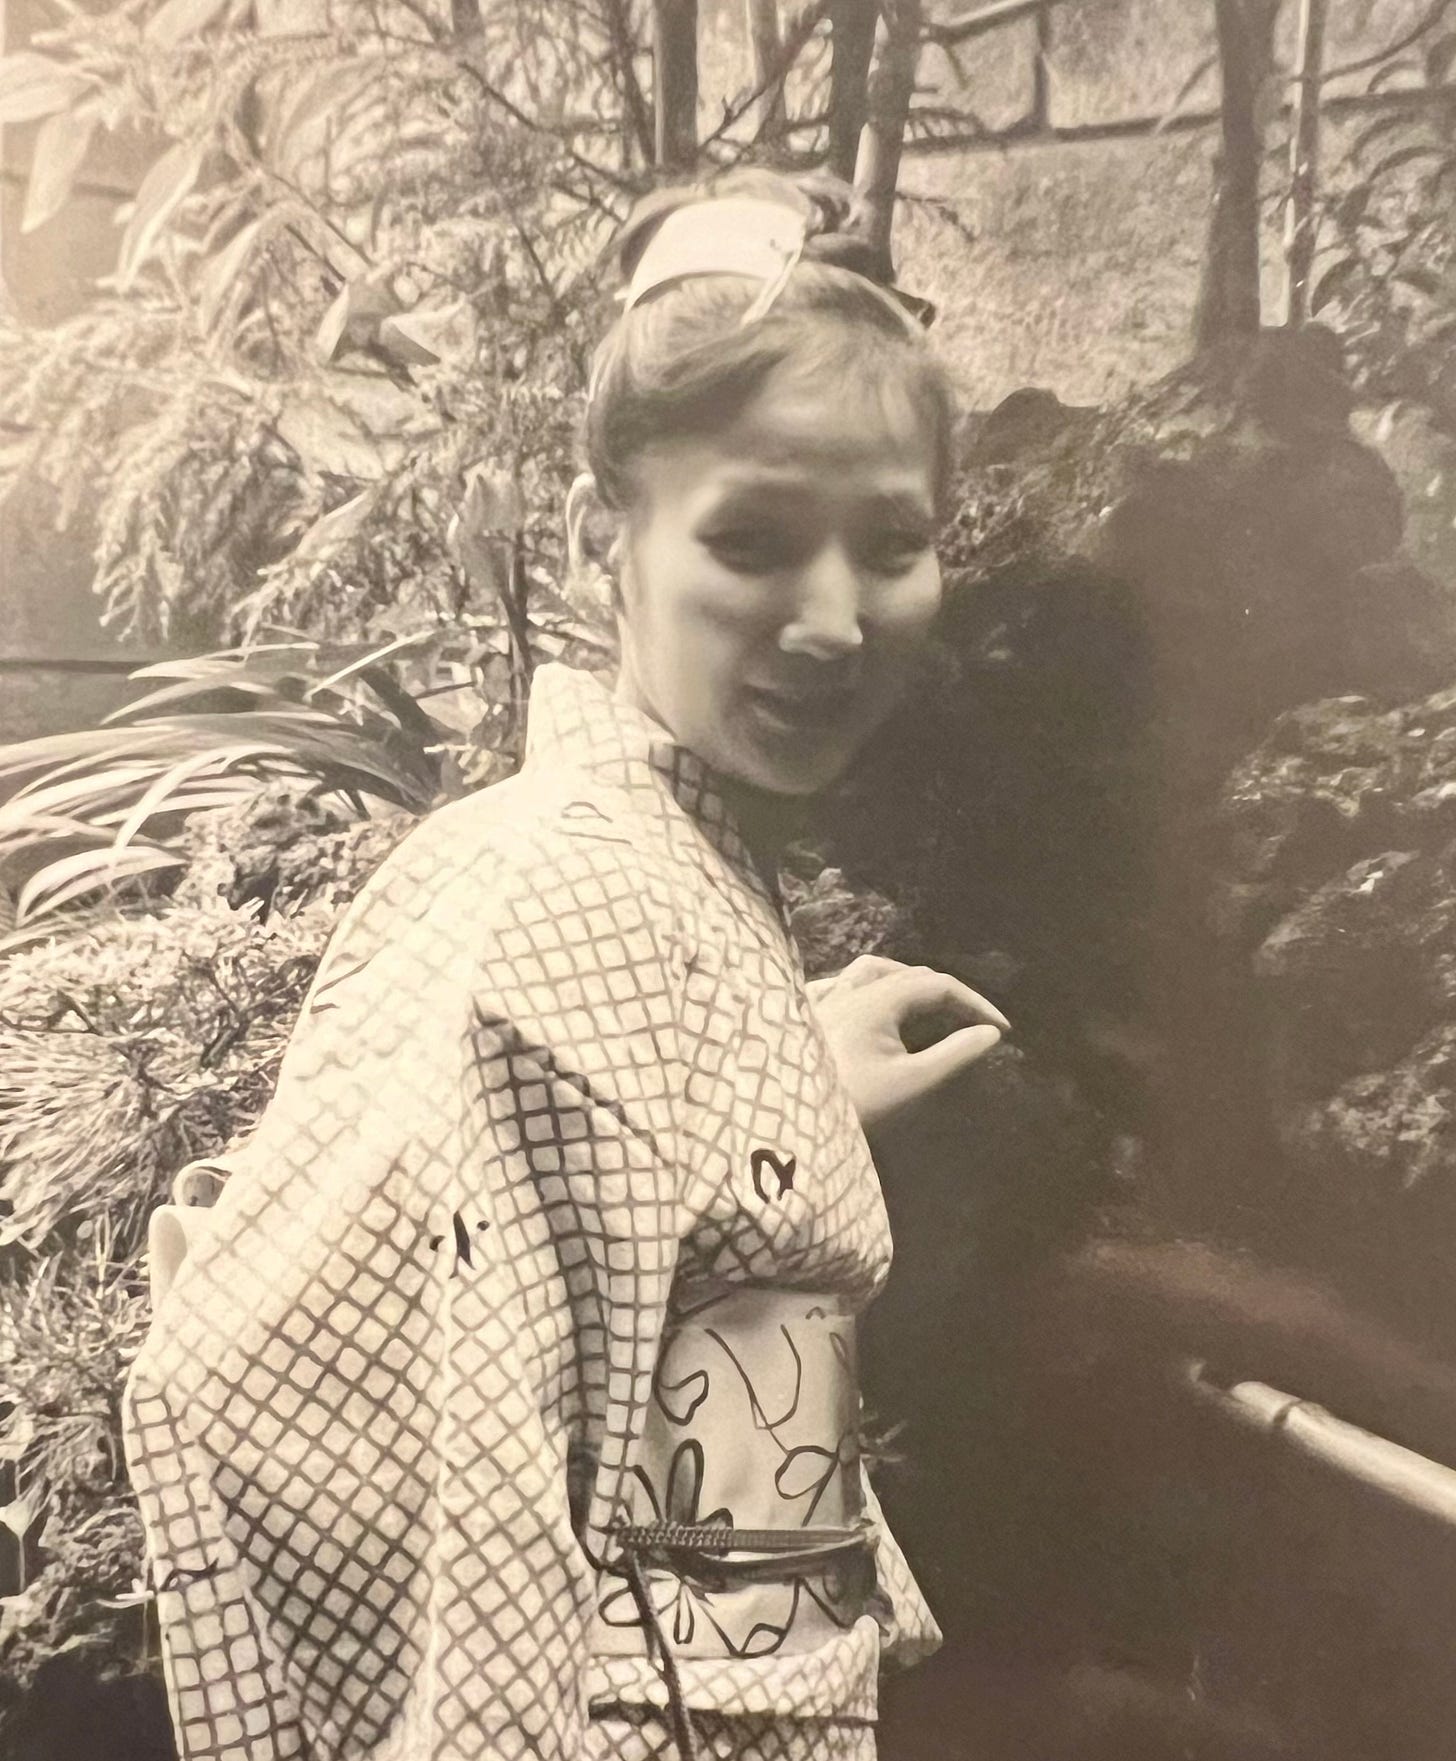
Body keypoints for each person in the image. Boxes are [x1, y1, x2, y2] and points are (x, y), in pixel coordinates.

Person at [122, 168, 1010, 1761]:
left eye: (892, 541)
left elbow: (635, 1211)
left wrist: (791, 1083)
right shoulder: (561, 898)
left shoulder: (650, 867)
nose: (833, 621)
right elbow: (438, 1456)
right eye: (750, 538)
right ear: (606, 535)